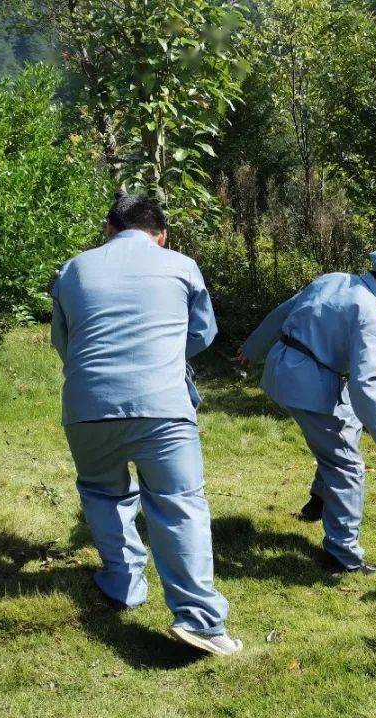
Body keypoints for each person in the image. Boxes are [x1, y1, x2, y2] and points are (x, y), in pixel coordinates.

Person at [51, 194, 239, 655]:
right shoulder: (182, 266)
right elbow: (203, 333)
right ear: (162, 236)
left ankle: (123, 584)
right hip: (163, 406)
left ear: (109, 229)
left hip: (88, 405)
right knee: (178, 504)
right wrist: (164, 352)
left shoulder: (73, 269)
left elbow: (64, 341)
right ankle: (199, 621)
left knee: (102, 492)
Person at [237, 247, 376, 574]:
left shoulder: (334, 279)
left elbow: (282, 312)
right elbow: (366, 383)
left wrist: (252, 348)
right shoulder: (369, 312)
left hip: (283, 367)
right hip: (307, 383)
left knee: (347, 426)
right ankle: (342, 554)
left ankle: (319, 502)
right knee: (347, 465)